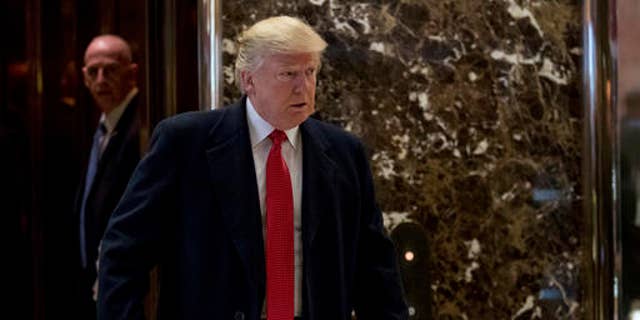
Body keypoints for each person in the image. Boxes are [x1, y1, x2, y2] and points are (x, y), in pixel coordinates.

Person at [97, 16, 408, 319]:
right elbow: (123, 253)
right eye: (288, 74)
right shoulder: (185, 142)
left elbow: (376, 272)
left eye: (310, 72)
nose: (304, 87)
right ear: (248, 80)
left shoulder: (344, 153)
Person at [74, 34, 141, 319]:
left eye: (110, 69)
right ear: (84, 77)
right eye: (93, 71)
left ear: (132, 73)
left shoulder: (142, 127)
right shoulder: (103, 124)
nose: (101, 78)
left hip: (129, 286)